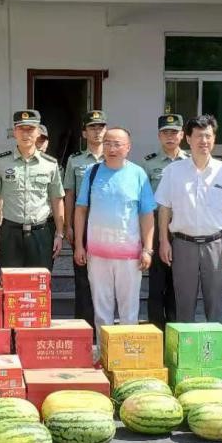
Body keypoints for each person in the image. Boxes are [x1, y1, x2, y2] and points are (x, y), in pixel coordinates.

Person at [156, 114, 222, 324]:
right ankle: (186, 346)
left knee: (216, 304)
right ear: (188, 138)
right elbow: (164, 208)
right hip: (182, 244)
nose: (204, 141)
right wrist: (163, 241)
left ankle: (215, 346)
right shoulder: (173, 171)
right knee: (183, 305)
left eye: (208, 136)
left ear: (214, 139)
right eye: (198, 136)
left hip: (215, 245)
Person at [72, 127, 156, 338]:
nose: (111, 148)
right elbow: (81, 209)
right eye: (107, 143)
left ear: (128, 148)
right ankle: (104, 352)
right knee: (102, 312)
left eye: (117, 144)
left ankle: (127, 353)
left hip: (129, 257)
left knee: (129, 311)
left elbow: (147, 214)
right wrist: (79, 246)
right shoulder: (92, 173)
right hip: (97, 255)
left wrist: (148, 249)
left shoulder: (138, 174)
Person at [0, 109, 65, 271]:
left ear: (38, 132)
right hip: (10, 233)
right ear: (14, 132)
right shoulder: (0, 162)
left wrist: (59, 234)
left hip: (41, 233)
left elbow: (57, 200)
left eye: (30, 129)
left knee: (39, 280)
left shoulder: (50, 164)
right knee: (10, 281)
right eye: (21, 129)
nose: (26, 134)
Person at [142, 113, 189, 330]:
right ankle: (156, 330)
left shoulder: (190, 162)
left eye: (174, 132)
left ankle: (174, 330)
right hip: (155, 226)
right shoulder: (148, 164)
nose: (170, 137)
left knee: (178, 283)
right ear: (159, 136)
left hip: (183, 227)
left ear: (182, 135)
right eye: (165, 133)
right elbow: (143, 200)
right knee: (156, 283)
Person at [63, 109, 107, 326]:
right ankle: (83, 325)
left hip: (108, 226)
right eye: (92, 128)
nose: (97, 132)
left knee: (106, 279)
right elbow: (69, 194)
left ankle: (104, 326)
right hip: (83, 224)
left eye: (101, 127)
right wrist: (68, 225)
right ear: (84, 133)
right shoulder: (75, 160)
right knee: (82, 278)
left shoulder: (114, 158)